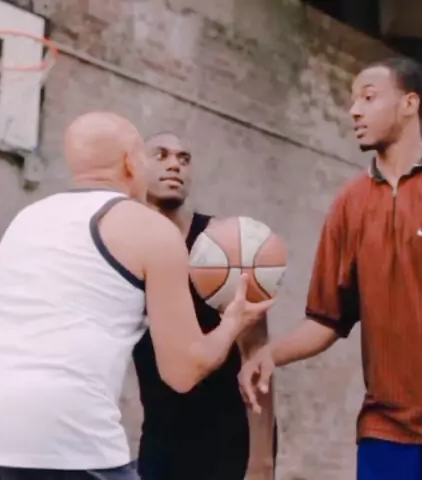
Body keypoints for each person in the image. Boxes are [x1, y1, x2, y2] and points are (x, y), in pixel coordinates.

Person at [239, 57, 422, 480]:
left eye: (369, 98)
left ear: (410, 103)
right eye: (353, 100)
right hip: (385, 428)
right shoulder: (348, 205)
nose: (354, 111)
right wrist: (268, 355)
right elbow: (326, 321)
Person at [0, 112, 272, 480]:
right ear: (132, 163)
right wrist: (233, 323)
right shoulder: (151, 229)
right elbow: (183, 371)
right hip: (60, 427)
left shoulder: (26, 220)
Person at [133, 131, 277, 480]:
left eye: (183, 159)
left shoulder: (224, 244)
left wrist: (261, 461)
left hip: (226, 444)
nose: (174, 165)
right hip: (159, 442)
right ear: (135, 166)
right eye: (161, 155)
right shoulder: (129, 247)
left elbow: (257, 354)